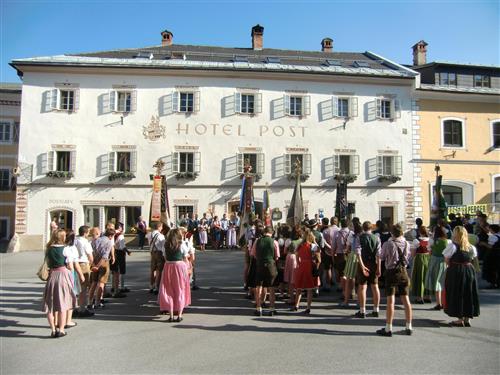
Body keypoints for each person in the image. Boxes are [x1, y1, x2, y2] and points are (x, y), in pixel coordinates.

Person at [376, 224, 413, 337]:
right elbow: (408, 258)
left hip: (391, 272)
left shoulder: (388, 243)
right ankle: (408, 326)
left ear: (392, 233)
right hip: (403, 272)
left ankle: (388, 327)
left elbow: (381, 257)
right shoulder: (406, 243)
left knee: (390, 301)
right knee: (406, 299)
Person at [42, 229, 77, 338]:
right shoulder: (65, 249)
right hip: (63, 275)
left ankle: (53, 329)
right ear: (63, 237)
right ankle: (61, 329)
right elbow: (70, 266)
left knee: (50, 304)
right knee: (63, 303)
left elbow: (47, 263)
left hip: (52, 275)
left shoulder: (48, 249)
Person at [444, 226, 480, 327]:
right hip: (469, 270)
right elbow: (472, 259)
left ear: (455, 234)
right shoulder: (471, 247)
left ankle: (460, 319)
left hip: (456, 271)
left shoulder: (453, 246)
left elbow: (446, 260)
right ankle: (467, 318)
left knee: (457, 292)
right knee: (468, 292)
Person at [158, 229, 191, 322]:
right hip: (179, 267)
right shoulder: (182, 244)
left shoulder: (165, 245)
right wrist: (189, 268)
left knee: (168, 290)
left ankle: (171, 315)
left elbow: (165, 257)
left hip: (168, 266)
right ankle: (179, 315)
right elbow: (185, 257)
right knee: (180, 289)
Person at [354, 221, 381, 318]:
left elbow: (358, 253)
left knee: (362, 287)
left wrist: (362, 266)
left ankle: (362, 310)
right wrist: (379, 268)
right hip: (373, 263)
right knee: (375, 287)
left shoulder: (359, 238)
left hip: (363, 262)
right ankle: (376, 309)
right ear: (371, 228)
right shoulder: (376, 238)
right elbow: (378, 255)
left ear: (363, 228)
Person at [251, 225, 279, 316]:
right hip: (270, 265)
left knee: (259, 287)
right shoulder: (274, 242)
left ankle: (258, 308)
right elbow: (277, 256)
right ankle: (271, 308)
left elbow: (253, 254)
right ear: (272, 233)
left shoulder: (257, 241)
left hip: (260, 265)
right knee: (271, 288)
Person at [292, 228, 321, 314]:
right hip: (310, 265)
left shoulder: (300, 245)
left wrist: (298, 263)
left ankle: (296, 305)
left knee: (299, 288)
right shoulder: (313, 246)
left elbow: (297, 256)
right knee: (309, 288)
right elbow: (319, 255)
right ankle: (308, 307)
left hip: (302, 266)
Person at [88, 228, 115, 309]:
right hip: (103, 263)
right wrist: (98, 266)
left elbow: (91, 253)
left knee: (94, 282)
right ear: (111, 236)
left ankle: (90, 301)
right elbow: (104, 256)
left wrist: (93, 265)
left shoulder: (95, 240)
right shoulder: (108, 242)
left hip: (95, 261)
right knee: (101, 283)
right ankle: (97, 302)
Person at [424, 226, 449, 310]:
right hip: (444, 261)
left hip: (435, 261)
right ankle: (443, 302)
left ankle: (439, 303)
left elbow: (430, 251)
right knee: (442, 281)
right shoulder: (447, 241)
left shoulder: (432, 240)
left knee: (436, 281)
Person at [63, 230, 84, 328]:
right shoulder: (72, 248)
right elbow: (75, 265)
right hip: (70, 274)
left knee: (62, 297)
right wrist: (81, 275)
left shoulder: (60, 247)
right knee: (71, 297)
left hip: (59, 273)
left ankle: (60, 321)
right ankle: (68, 320)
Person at [74, 225, 95, 317]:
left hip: (74, 263)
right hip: (83, 263)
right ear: (85, 233)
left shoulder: (74, 240)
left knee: (75, 287)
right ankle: (82, 309)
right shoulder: (85, 242)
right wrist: (92, 264)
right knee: (83, 288)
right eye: (88, 232)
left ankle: (74, 308)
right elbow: (90, 255)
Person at [410, 226, 432, 304]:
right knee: (427, 277)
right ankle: (428, 296)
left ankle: (420, 297)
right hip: (428, 259)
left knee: (420, 277)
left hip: (419, 259)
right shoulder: (430, 240)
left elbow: (412, 254)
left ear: (420, 232)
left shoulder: (416, 241)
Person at [342, 221, 361, 307]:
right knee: (361, 281)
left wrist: (345, 252)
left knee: (349, 278)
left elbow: (347, 248)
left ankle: (346, 300)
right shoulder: (363, 236)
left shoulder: (351, 236)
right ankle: (360, 301)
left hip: (353, 256)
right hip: (362, 257)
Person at [333, 218, 351, 305]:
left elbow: (333, 246)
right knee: (350, 274)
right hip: (350, 255)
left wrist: (333, 255)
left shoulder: (337, 233)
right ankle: (351, 291)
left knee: (342, 274)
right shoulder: (351, 233)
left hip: (340, 255)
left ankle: (344, 292)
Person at [110, 222, 129, 297]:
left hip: (113, 252)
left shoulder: (112, 234)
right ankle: (121, 287)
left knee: (114, 271)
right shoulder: (120, 236)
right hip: (119, 253)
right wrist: (127, 251)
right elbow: (122, 246)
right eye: (121, 227)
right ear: (119, 228)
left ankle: (112, 286)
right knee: (121, 270)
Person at [147, 222, 165, 294]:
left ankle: (151, 286)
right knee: (159, 270)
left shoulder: (149, 234)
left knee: (152, 270)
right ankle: (157, 287)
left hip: (152, 253)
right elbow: (163, 247)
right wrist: (164, 256)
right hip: (159, 253)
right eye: (161, 227)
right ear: (159, 227)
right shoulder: (161, 236)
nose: (162, 228)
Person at [321, 217, 338, 292]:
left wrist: (329, 247)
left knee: (328, 268)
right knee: (338, 268)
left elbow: (323, 242)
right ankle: (339, 284)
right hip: (338, 252)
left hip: (328, 251)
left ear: (330, 222)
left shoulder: (325, 231)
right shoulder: (339, 230)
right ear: (336, 222)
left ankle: (328, 284)